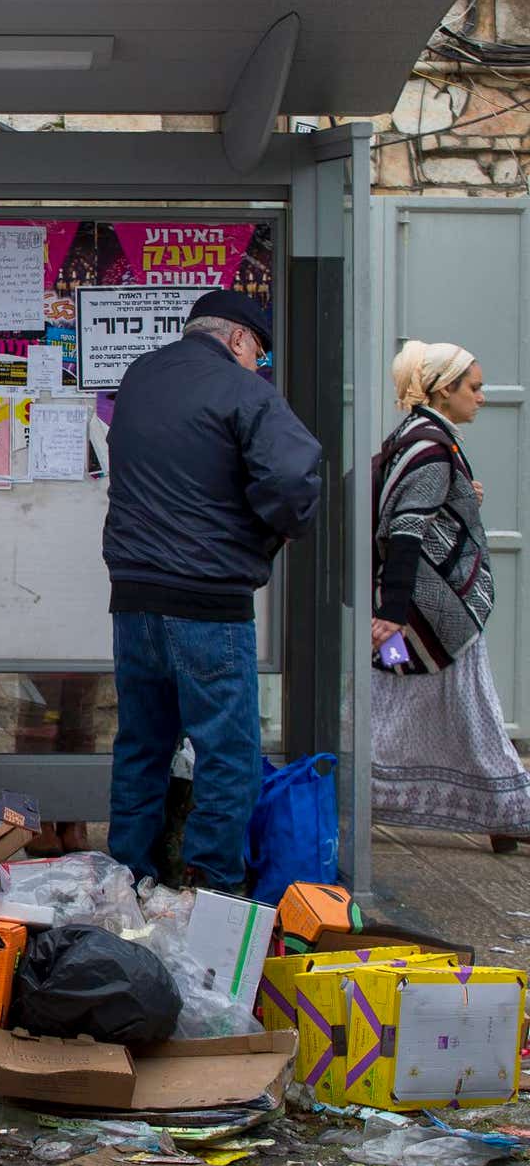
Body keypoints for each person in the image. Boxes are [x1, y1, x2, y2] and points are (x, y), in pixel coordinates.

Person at [103, 289, 320, 891]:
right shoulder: (244, 390)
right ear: (239, 339)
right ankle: (212, 888)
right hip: (208, 600)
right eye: (258, 354)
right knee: (227, 754)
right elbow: (293, 478)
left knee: (142, 746)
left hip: (134, 596)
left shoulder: (141, 377)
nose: (258, 365)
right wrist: (272, 533)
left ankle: (129, 881)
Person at [370, 341, 530, 852]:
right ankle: (511, 813)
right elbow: (406, 528)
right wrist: (392, 614)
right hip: (432, 617)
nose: (481, 397)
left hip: (414, 615)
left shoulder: (417, 437)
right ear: (444, 390)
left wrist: (462, 495)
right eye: (474, 388)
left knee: (394, 705)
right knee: (470, 711)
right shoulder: (433, 448)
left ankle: (368, 796)